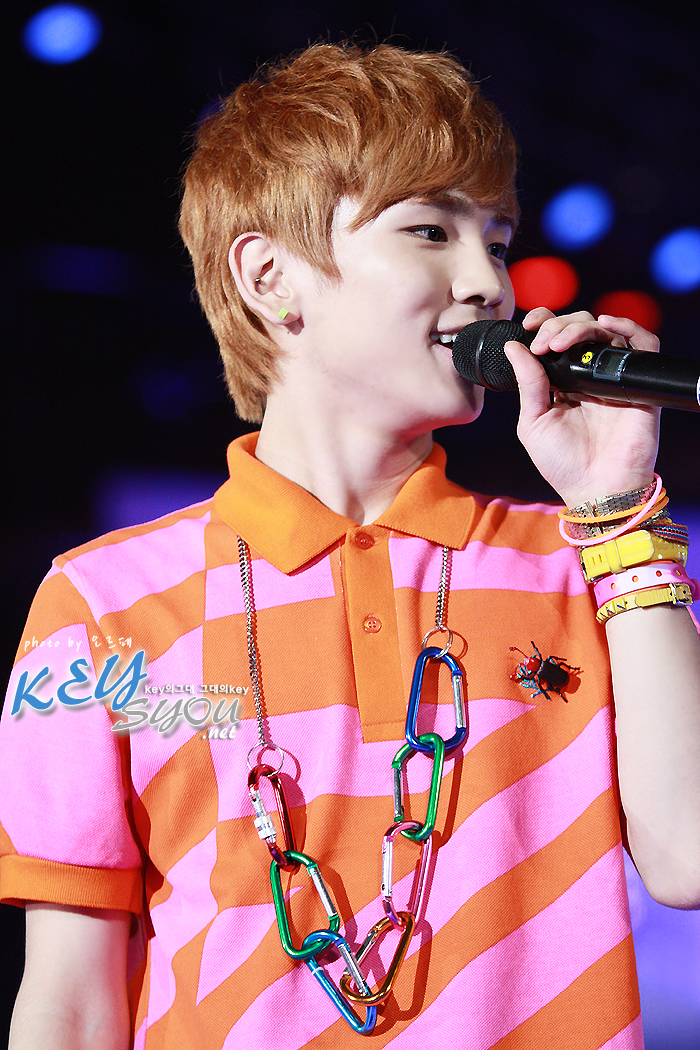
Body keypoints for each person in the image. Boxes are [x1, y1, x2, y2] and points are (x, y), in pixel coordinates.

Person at [2, 41, 700, 1050]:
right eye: (431, 231)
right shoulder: (100, 607)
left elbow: (688, 858)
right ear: (270, 276)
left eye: (498, 242)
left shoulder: (581, 561)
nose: (487, 284)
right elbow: (69, 1004)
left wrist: (617, 504)